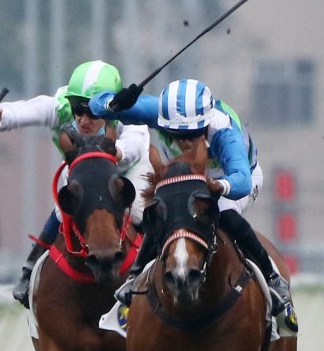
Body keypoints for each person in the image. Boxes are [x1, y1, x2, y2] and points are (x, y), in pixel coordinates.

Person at [89, 78, 297, 329]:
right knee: (158, 213)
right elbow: (95, 105)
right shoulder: (159, 113)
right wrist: (113, 103)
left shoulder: (223, 132)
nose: (185, 143)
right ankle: (133, 281)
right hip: (188, 179)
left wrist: (219, 187)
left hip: (233, 179)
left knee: (225, 212)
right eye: (177, 135)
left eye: (192, 135)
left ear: (206, 123)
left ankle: (274, 281)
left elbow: (241, 179)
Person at [0, 60, 151, 307]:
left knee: (138, 210)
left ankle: (148, 270)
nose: (82, 119)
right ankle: (29, 270)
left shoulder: (126, 113)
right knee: (64, 210)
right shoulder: (60, 107)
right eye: (77, 109)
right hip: (83, 171)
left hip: (127, 169)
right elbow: (30, 110)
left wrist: (116, 152)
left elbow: (136, 143)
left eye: (92, 112)